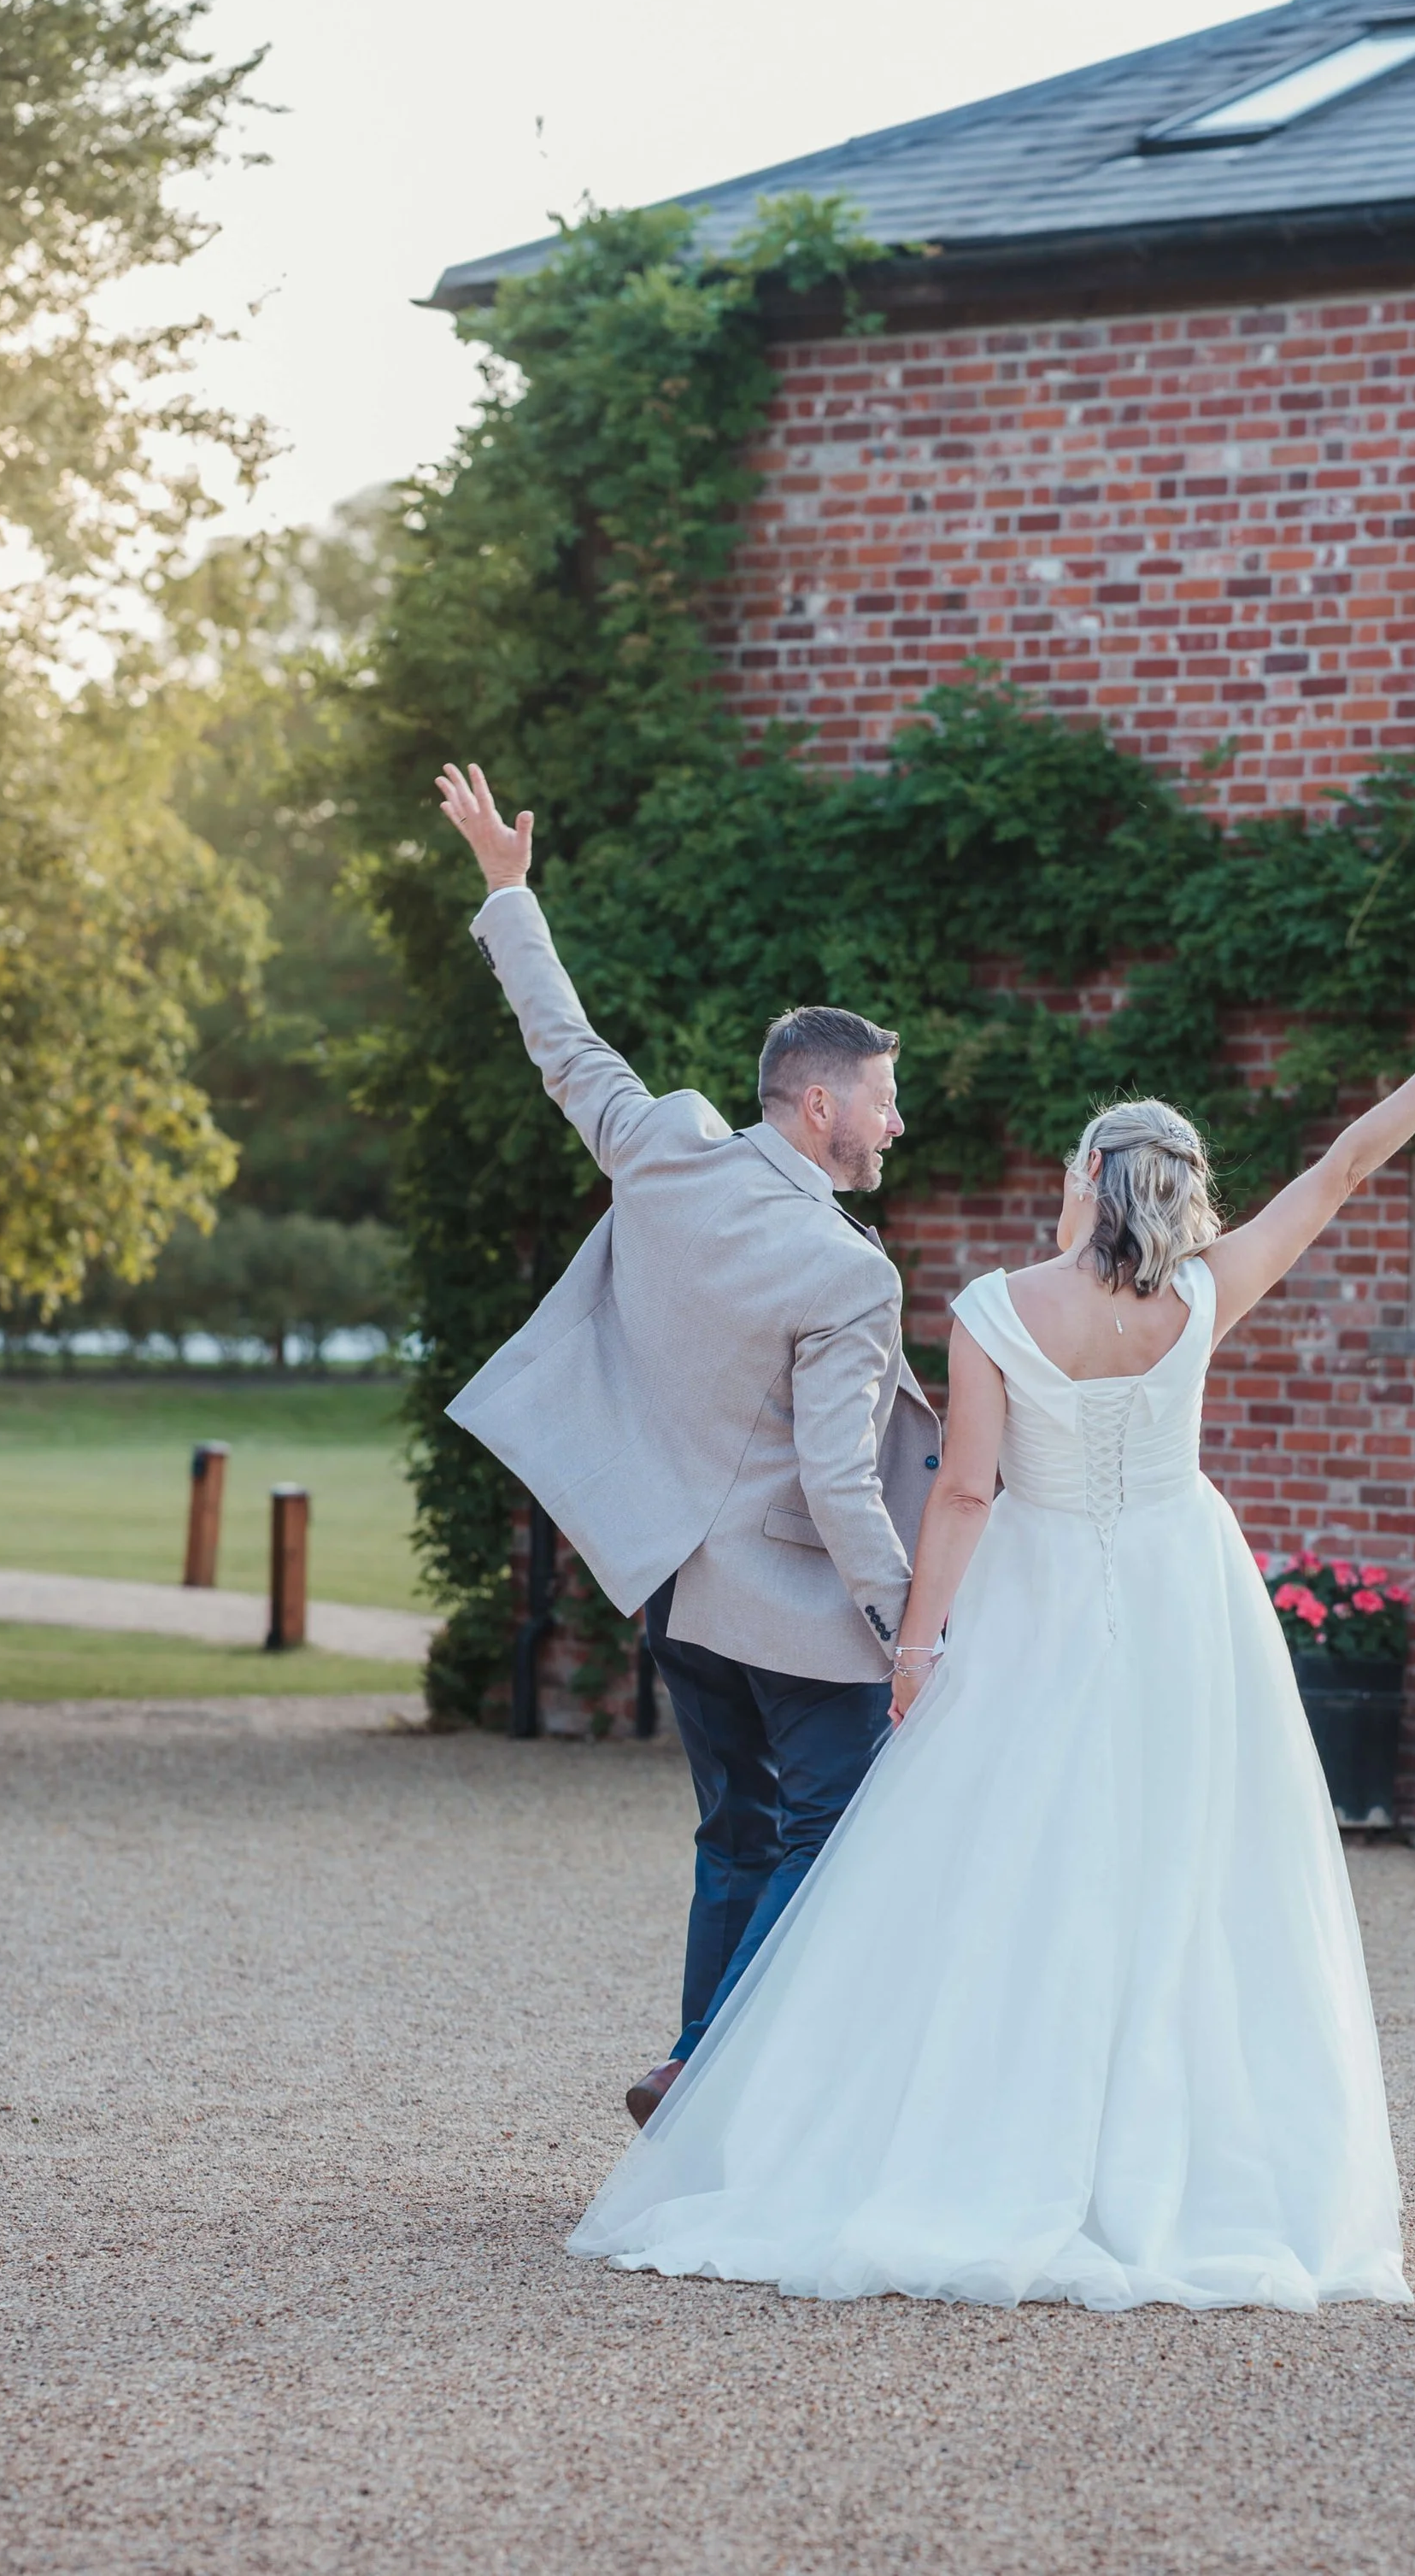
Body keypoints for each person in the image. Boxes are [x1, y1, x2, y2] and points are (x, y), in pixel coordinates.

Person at [567, 985, 1415, 2311]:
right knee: (1181, 1869)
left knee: (1000, 1865)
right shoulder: (1207, 1289)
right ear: (1183, 1193)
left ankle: (944, 2134)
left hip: (1036, 1594)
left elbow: (961, 1498)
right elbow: (1346, 1162)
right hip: (1190, 1601)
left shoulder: (998, 1308)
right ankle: (1176, 2165)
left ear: (1085, 1181)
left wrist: (913, 1654)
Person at [433, 761, 940, 2127]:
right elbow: (840, 1479)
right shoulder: (847, 1274)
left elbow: (568, 1049)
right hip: (800, 1610)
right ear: (818, 1105)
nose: (897, 1121)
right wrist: (908, 1625)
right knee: (827, 1830)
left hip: (670, 1583)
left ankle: (696, 2065)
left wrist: (508, 893)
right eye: (883, 1099)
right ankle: (711, 2063)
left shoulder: (663, 1153)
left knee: (735, 1831)